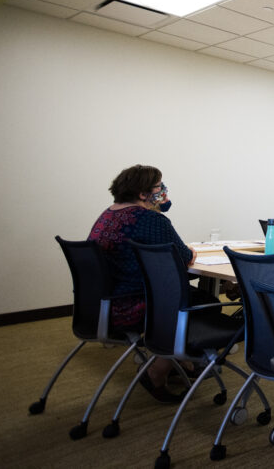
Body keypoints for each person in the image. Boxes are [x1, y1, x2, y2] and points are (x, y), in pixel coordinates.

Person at [88, 165, 201, 403]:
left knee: (186, 296)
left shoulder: (108, 214)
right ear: (142, 194)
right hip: (131, 306)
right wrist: (190, 250)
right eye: (159, 187)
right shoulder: (150, 220)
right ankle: (157, 373)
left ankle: (184, 364)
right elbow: (183, 258)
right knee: (200, 303)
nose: (163, 190)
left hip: (101, 304)